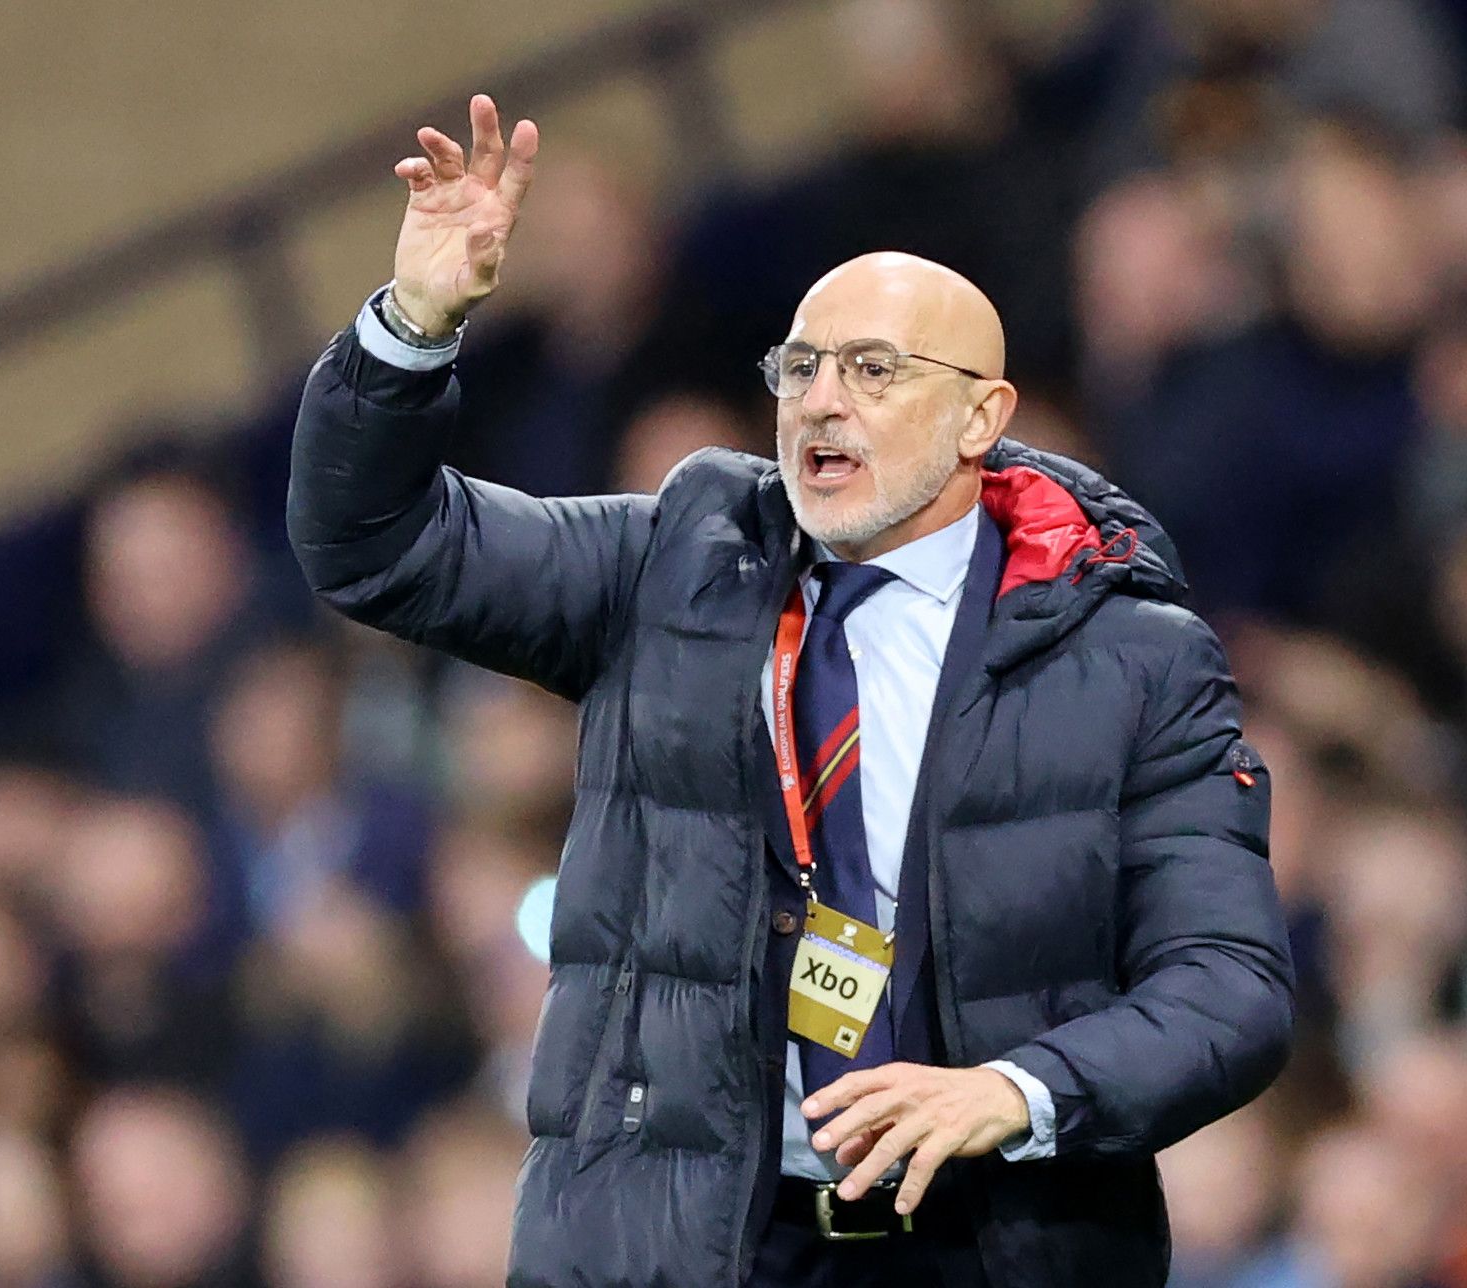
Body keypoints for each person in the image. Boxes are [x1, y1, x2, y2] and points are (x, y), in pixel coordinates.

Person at [287, 96, 1293, 1288]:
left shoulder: (1133, 655)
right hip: (694, 1250)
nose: (821, 398)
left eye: (874, 369)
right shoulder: (670, 561)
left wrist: (1015, 1092)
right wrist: (412, 328)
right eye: (801, 366)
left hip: (987, 1248)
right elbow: (376, 544)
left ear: (984, 415)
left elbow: (1230, 988)